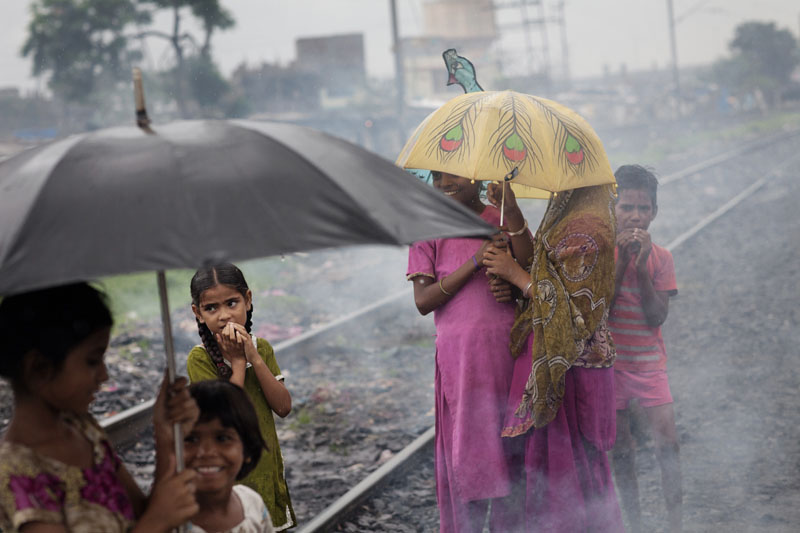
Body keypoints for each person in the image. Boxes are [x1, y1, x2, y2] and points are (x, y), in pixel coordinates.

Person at [0, 282, 199, 533]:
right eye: (93, 361)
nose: (104, 375)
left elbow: (142, 514)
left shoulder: (84, 430)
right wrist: (158, 521)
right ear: (39, 368)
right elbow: (153, 521)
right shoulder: (14, 472)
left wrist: (164, 431)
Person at [483, 183, 625, 532]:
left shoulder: (590, 229)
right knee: (548, 466)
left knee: (566, 468)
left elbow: (574, 313)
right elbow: (541, 267)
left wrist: (516, 277)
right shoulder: (567, 216)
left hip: (573, 368)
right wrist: (512, 213)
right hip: (551, 360)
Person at [406, 171, 532, 533]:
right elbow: (423, 301)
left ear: (476, 176)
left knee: (510, 447)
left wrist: (512, 214)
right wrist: (475, 261)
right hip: (462, 361)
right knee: (469, 452)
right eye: (437, 175)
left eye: (454, 175)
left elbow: (528, 263)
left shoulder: (498, 217)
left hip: (507, 351)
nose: (444, 183)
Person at [187, 263, 296, 531]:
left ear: (247, 300)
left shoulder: (262, 348)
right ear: (198, 313)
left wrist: (254, 358)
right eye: (211, 308)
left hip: (265, 463)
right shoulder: (200, 359)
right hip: (229, 472)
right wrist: (237, 363)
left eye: (232, 303)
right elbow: (224, 416)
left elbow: (283, 407)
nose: (224, 315)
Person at [608, 165, 681, 533]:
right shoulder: (603, 256)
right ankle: (633, 522)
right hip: (612, 366)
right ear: (612, 210)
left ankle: (675, 522)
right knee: (621, 451)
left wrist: (640, 268)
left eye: (643, 208)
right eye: (627, 207)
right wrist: (621, 263)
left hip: (651, 366)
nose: (635, 216)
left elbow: (656, 316)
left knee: (668, 444)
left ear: (654, 212)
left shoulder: (661, 258)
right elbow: (601, 311)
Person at [185, 380, 275, 533]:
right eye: (191, 439)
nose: (206, 452)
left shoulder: (252, 504)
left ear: (247, 448)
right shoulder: (167, 522)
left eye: (222, 438)